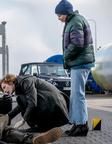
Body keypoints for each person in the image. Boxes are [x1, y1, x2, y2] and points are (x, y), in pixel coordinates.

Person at [55, 0, 95, 136]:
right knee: (75, 95)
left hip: (80, 63)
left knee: (78, 95)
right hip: (78, 63)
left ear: (65, 12)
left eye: (59, 15)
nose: (58, 18)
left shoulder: (76, 21)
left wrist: (65, 56)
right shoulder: (72, 21)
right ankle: (77, 124)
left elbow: (77, 44)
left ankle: (82, 126)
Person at [0, 74, 69, 133]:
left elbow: (32, 103)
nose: (5, 91)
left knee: (22, 101)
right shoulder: (20, 85)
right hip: (51, 103)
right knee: (21, 100)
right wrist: (8, 116)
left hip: (54, 104)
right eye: (3, 90)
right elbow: (20, 106)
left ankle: (40, 128)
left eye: (4, 87)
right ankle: (44, 127)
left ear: (10, 82)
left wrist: (23, 120)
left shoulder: (25, 81)